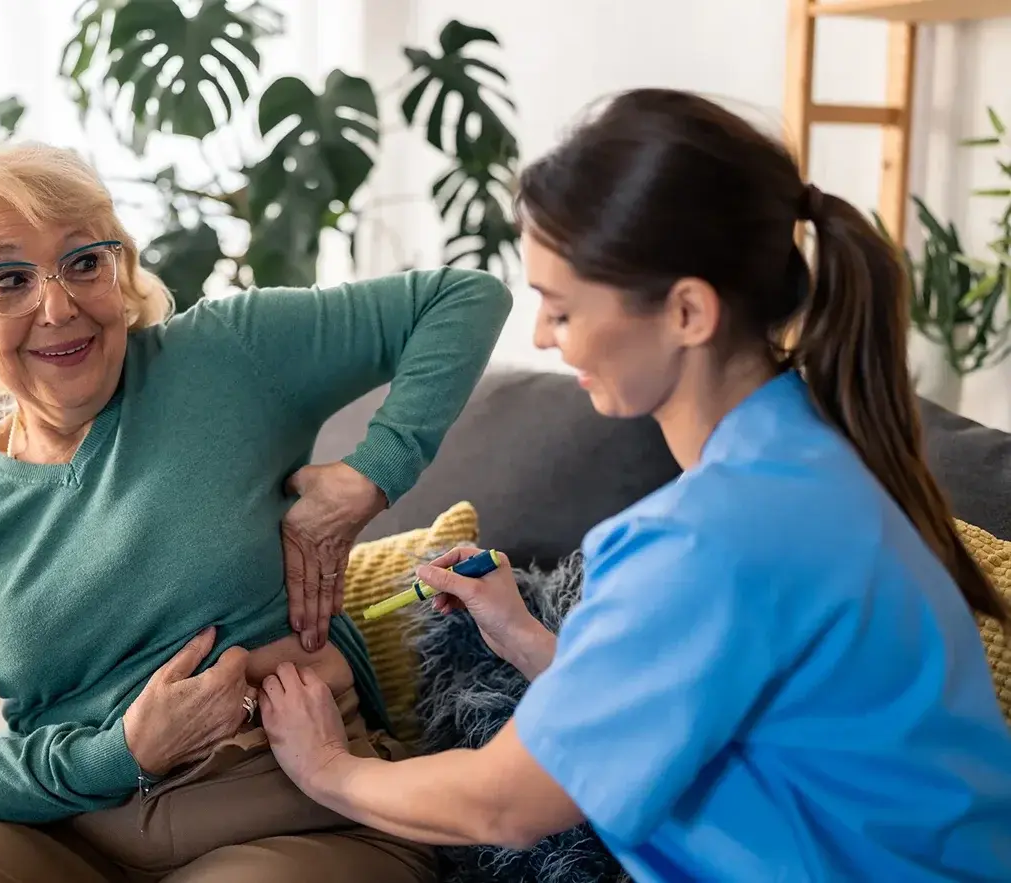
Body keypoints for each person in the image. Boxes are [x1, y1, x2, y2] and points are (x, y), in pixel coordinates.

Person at [258, 87, 1011, 882]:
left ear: (687, 310)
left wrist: (326, 769)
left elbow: (503, 804)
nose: (544, 338)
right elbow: (695, 702)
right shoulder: (820, 463)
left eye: (560, 306)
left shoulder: (708, 536)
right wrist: (527, 640)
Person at [0, 141, 510, 883]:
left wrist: (370, 475)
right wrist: (120, 752)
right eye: (10, 279)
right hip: (65, 835)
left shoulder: (222, 356)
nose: (58, 306)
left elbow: (462, 298)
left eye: (85, 261)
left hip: (295, 812)